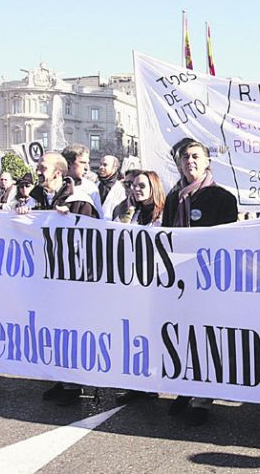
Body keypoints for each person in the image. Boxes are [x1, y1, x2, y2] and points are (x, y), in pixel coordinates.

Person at [162, 138, 238, 426]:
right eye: (184, 158)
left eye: (195, 156)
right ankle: (184, 388)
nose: (189, 161)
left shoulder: (223, 198)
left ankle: (203, 399)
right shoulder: (174, 197)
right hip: (179, 281)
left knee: (206, 341)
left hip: (208, 283)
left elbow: (227, 243)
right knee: (180, 338)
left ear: (207, 162)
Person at [18, 152, 99, 406]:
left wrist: (70, 222)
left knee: (70, 330)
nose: (38, 171)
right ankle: (60, 377)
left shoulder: (79, 202)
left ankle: (73, 384)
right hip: (44, 279)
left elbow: (94, 239)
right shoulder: (36, 198)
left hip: (71, 279)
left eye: (43, 167)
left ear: (57, 173)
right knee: (50, 330)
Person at [110, 170, 166, 405]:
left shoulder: (163, 214)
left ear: (153, 187)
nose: (137, 189)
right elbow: (114, 237)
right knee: (133, 333)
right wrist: (128, 212)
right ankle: (136, 383)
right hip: (129, 283)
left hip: (155, 284)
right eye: (133, 185)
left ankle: (153, 383)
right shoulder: (125, 210)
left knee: (153, 334)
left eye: (142, 185)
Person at [61, 143, 104, 219]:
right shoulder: (54, 185)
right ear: (69, 163)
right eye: (83, 162)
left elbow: (99, 219)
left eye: (88, 163)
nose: (87, 167)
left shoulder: (90, 188)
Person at [98, 155, 127, 221]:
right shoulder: (95, 186)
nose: (101, 167)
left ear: (114, 168)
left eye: (105, 165)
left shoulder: (121, 189)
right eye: (100, 164)